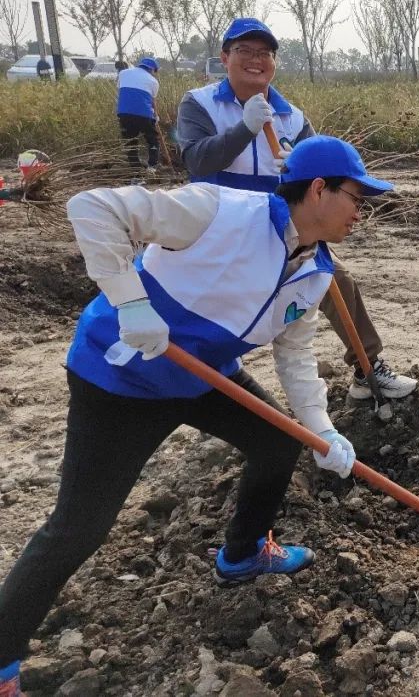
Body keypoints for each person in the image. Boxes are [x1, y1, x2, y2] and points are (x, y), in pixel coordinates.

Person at [0, 136, 392, 697]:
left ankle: (242, 554)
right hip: (122, 377)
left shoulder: (316, 272)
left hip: (205, 373)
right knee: (78, 527)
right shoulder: (220, 212)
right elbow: (92, 207)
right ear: (318, 189)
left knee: (279, 443)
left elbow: (295, 354)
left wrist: (321, 427)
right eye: (356, 197)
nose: (361, 212)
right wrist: (131, 301)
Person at [176, 18, 415, 403]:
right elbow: (197, 161)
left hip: (281, 225)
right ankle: (206, 385)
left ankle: (368, 368)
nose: (255, 60)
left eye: (264, 53)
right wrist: (244, 130)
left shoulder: (293, 117)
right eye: (244, 51)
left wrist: (299, 170)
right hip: (220, 227)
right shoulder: (199, 104)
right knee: (214, 305)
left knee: (337, 279)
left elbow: (323, 185)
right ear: (225, 57)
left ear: (274, 62)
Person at [116, 57, 161, 174]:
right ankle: (152, 168)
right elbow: (152, 101)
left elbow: (121, 90)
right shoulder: (153, 81)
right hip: (144, 115)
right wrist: (156, 116)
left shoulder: (123, 73)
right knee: (153, 140)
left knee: (130, 142)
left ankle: (135, 170)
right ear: (152, 69)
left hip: (124, 113)